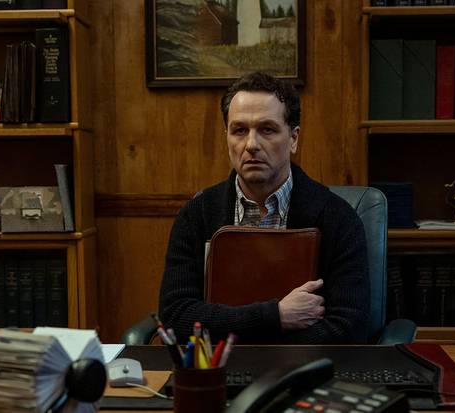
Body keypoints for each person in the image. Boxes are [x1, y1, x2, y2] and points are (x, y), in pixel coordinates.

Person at [158, 72, 370, 344]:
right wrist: (275, 317)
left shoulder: (338, 218)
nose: (251, 145)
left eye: (267, 129)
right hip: (216, 373)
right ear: (227, 138)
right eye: (239, 130)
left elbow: (350, 327)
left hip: (302, 372)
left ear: (293, 139)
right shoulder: (197, 214)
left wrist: (247, 338)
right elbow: (176, 316)